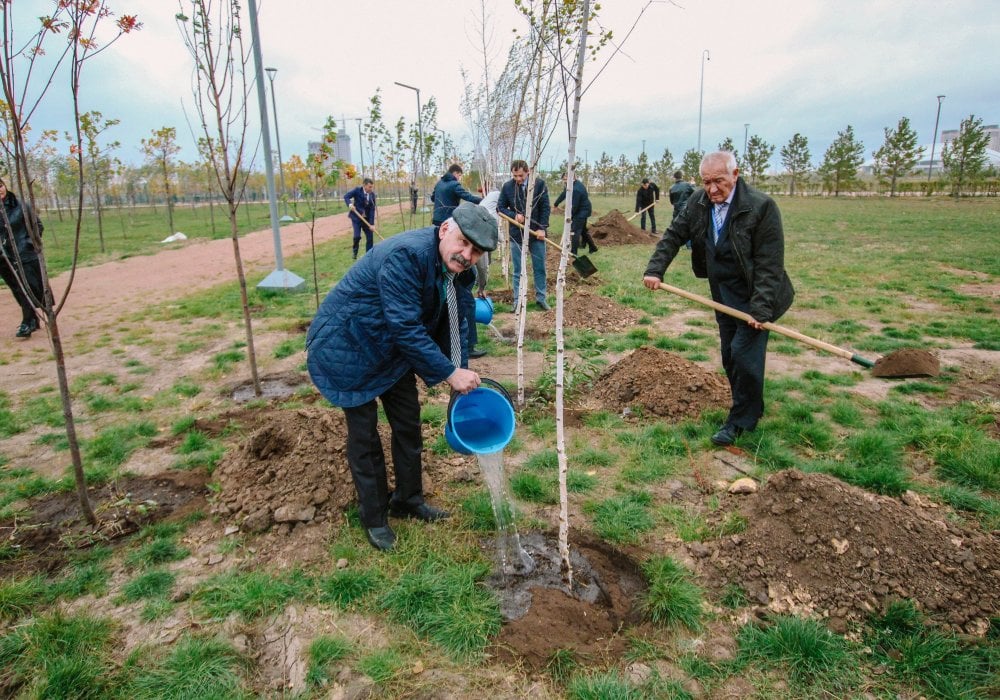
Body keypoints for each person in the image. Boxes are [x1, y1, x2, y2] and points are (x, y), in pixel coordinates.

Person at [307, 203, 498, 552]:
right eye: (463, 243)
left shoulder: (456, 272)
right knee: (365, 439)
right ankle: (375, 518)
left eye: (476, 251)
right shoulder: (406, 257)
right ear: (444, 231)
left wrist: (459, 369)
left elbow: (457, 324)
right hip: (349, 346)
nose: (467, 255)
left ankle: (408, 500)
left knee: (408, 424)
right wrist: (448, 372)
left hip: (389, 350)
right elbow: (406, 327)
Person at [642, 151, 794, 447]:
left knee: (743, 355)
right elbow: (674, 235)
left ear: (735, 175)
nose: (712, 189)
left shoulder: (761, 207)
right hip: (722, 294)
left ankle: (739, 421)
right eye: (707, 182)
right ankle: (752, 405)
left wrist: (760, 311)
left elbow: (769, 263)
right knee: (730, 354)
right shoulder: (698, 203)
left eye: (719, 182)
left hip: (756, 295)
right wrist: (655, 269)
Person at [497, 159, 551, 310]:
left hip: (536, 234)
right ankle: (517, 301)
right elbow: (500, 207)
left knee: (539, 268)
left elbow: (545, 208)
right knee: (518, 270)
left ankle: (541, 298)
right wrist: (514, 215)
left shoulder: (539, 185)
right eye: (515, 176)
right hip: (517, 234)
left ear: (528, 172)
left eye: (521, 175)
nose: (518, 179)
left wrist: (542, 228)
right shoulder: (508, 187)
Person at [0, 178, 45, 339]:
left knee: (25, 287)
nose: (0, 190)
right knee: (16, 289)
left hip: (22, 254)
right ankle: (33, 319)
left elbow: (38, 226)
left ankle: (27, 322)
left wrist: (27, 244)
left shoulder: (20, 206)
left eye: (1, 185)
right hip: (3, 258)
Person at [553, 172, 597, 256]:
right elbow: (564, 193)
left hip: (582, 211)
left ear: (572, 178)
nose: (564, 182)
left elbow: (574, 206)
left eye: (565, 180)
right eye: (563, 180)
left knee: (575, 231)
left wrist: (570, 217)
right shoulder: (571, 185)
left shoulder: (576, 189)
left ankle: (573, 253)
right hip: (582, 209)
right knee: (583, 231)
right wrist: (556, 203)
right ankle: (593, 248)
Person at [431, 164, 481, 230]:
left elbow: (432, 198)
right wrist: (482, 200)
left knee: (439, 237)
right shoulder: (454, 184)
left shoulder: (439, 183)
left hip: (436, 218)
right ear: (455, 173)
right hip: (448, 219)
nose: (459, 178)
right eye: (459, 175)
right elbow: (467, 197)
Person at [344, 178, 377, 259]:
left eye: (372, 187)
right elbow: (346, 196)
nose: (371, 189)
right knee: (357, 236)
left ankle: (368, 256)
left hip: (366, 219)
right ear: (364, 185)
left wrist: (372, 224)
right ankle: (355, 251)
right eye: (369, 187)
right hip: (356, 218)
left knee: (370, 237)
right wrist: (350, 205)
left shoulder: (372, 195)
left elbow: (372, 210)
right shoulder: (357, 190)